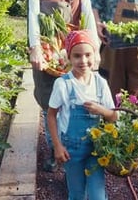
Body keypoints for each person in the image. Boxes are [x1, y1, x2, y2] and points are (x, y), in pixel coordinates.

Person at [27, 0, 100, 172]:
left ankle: (74, 147)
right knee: (50, 103)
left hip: (74, 53)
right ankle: (53, 149)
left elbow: (87, 17)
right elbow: (33, 18)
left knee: (74, 99)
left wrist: (94, 50)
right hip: (49, 53)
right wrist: (36, 48)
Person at [47, 30, 117, 200]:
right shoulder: (63, 84)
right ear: (69, 58)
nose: (83, 60)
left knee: (97, 196)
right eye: (77, 56)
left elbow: (114, 116)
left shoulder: (100, 83)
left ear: (95, 55)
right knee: (77, 193)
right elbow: (51, 115)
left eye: (88, 54)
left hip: (97, 148)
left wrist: (100, 110)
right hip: (72, 149)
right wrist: (57, 146)